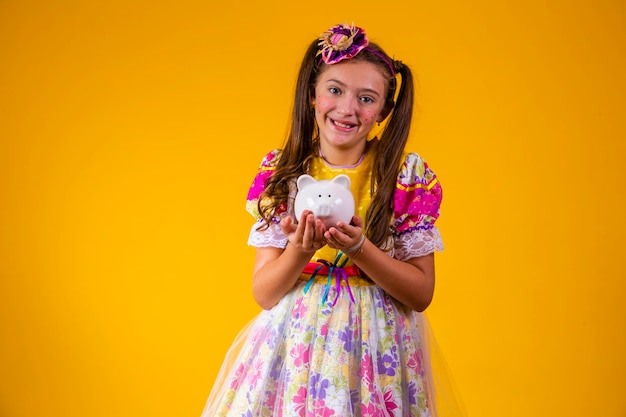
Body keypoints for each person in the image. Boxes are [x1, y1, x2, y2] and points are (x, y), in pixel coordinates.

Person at [201, 23, 450, 416]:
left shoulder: (403, 176)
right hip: (297, 346)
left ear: (384, 110)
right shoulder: (282, 173)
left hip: (377, 350)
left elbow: (421, 294)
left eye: (367, 98)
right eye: (335, 90)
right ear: (313, 96)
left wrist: (358, 247)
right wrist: (299, 250)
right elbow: (264, 293)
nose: (348, 109)